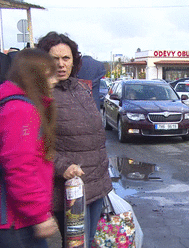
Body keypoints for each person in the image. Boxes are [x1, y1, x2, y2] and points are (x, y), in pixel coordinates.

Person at [37, 31, 112, 247]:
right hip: (69, 188)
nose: (61, 64)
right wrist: (62, 166)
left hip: (97, 184)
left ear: (73, 61)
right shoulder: (41, 95)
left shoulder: (80, 88)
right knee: (75, 244)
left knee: (88, 241)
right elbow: (36, 143)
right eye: (54, 59)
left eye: (66, 58)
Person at [0, 48, 59, 247]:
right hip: (17, 221)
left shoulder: (9, 101)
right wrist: (40, 215)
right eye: (50, 75)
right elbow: (19, 168)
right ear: (37, 77)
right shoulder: (21, 110)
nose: (55, 81)